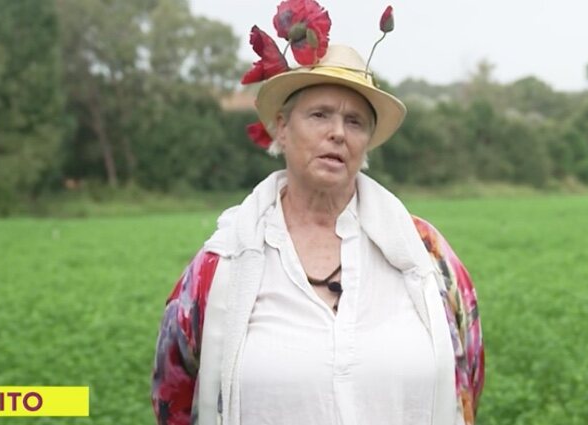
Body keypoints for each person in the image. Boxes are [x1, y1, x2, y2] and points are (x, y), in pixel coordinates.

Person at [151, 6, 483, 425]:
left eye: (355, 121)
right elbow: (173, 395)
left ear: (367, 142)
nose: (338, 133)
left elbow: (466, 381)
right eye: (320, 114)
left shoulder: (425, 253)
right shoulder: (223, 261)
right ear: (282, 128)